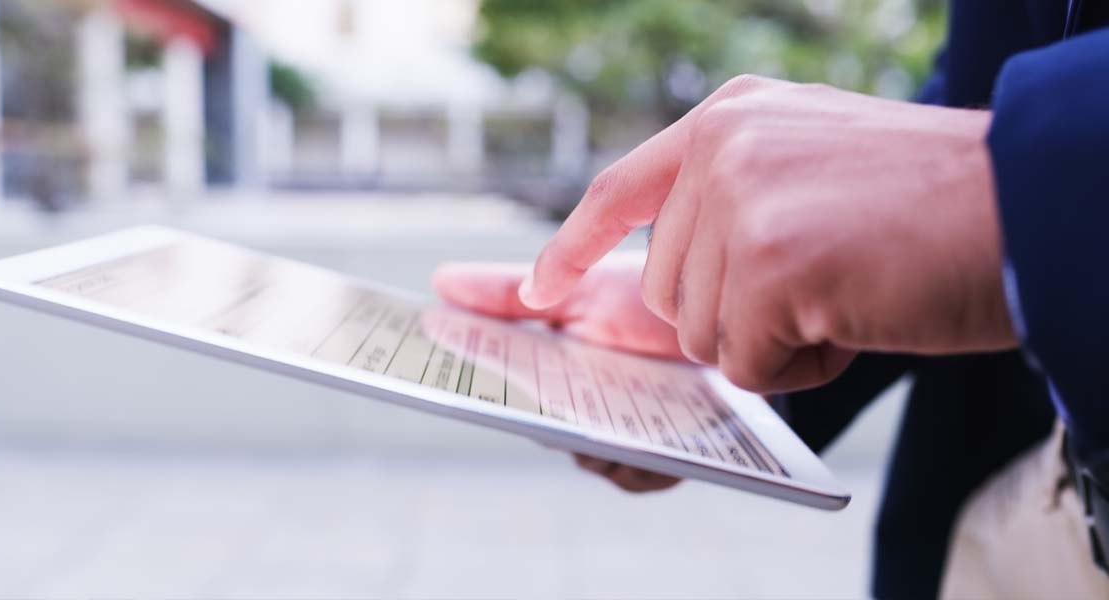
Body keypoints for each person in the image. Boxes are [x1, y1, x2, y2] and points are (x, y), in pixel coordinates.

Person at [434, 1, 1109, 597]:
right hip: (1023, 511)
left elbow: (987, 148)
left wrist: (1019, 183)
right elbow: (998, 61)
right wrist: (723, 288)